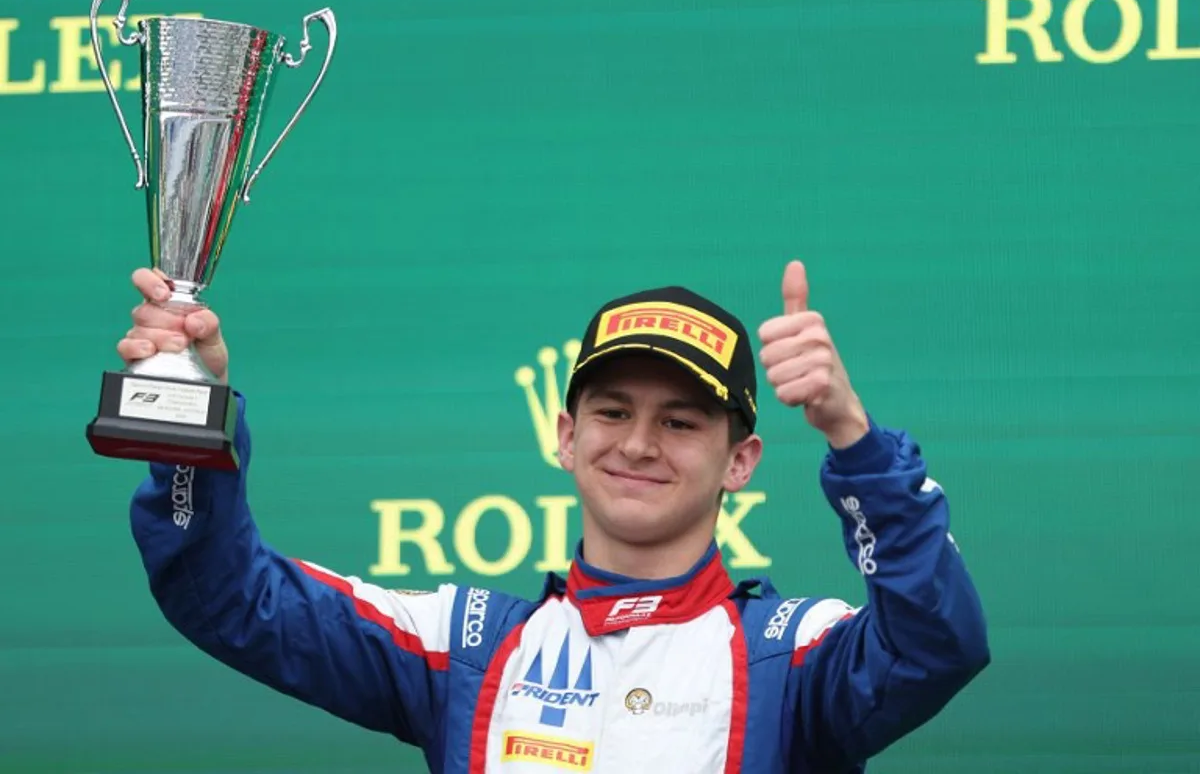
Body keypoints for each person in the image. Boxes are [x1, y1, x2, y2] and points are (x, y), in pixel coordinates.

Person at [118, 260, 990, 773]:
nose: (640, 444)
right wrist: (184, 409)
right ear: (567, 437)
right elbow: (226, 594)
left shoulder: (792, 654)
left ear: (741, 462)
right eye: (613, 413)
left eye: (680, 421)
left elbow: (934, 646)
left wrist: (853, 436)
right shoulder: (462, 646)